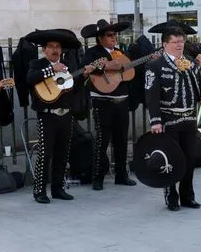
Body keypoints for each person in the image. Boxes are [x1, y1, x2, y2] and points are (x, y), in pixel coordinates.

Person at [25, 29, 96, 204]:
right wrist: (51, 69)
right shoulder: (37, 64)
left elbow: (73, 89)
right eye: (51, 47)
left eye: (58, 47)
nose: (55, 50)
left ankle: (58, 189)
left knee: (62, 154)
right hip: (47, 116)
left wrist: (84, 76)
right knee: (45, 154)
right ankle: (39, 191)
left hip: (65, 115)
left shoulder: (67, 66)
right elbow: (30, 79)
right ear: (44, 50)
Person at [144, 26, 201, 211]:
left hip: (189, 117)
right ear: (165, 44)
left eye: (182, 41)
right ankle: (171, 196)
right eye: (176, 42)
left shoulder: (189, 61)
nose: (180, 45)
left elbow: (200, 82)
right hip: (168, 119)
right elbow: (151, 95)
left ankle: (188, 196)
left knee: (190, 159)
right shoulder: (155, 65)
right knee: (171, 160)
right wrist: (155, 120)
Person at [80, 19, 137, 191]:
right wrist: (106, 66)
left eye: (115, 34)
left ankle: (121, 175)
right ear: (100, 38)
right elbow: (85, 68)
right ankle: (98, 177)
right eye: (110, 35)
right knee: (102, 141)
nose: (114, 38)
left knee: (121, 140)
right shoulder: (92, 52)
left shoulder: (121, 53)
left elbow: (129, 71)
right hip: (102, 101)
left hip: (122, 101)